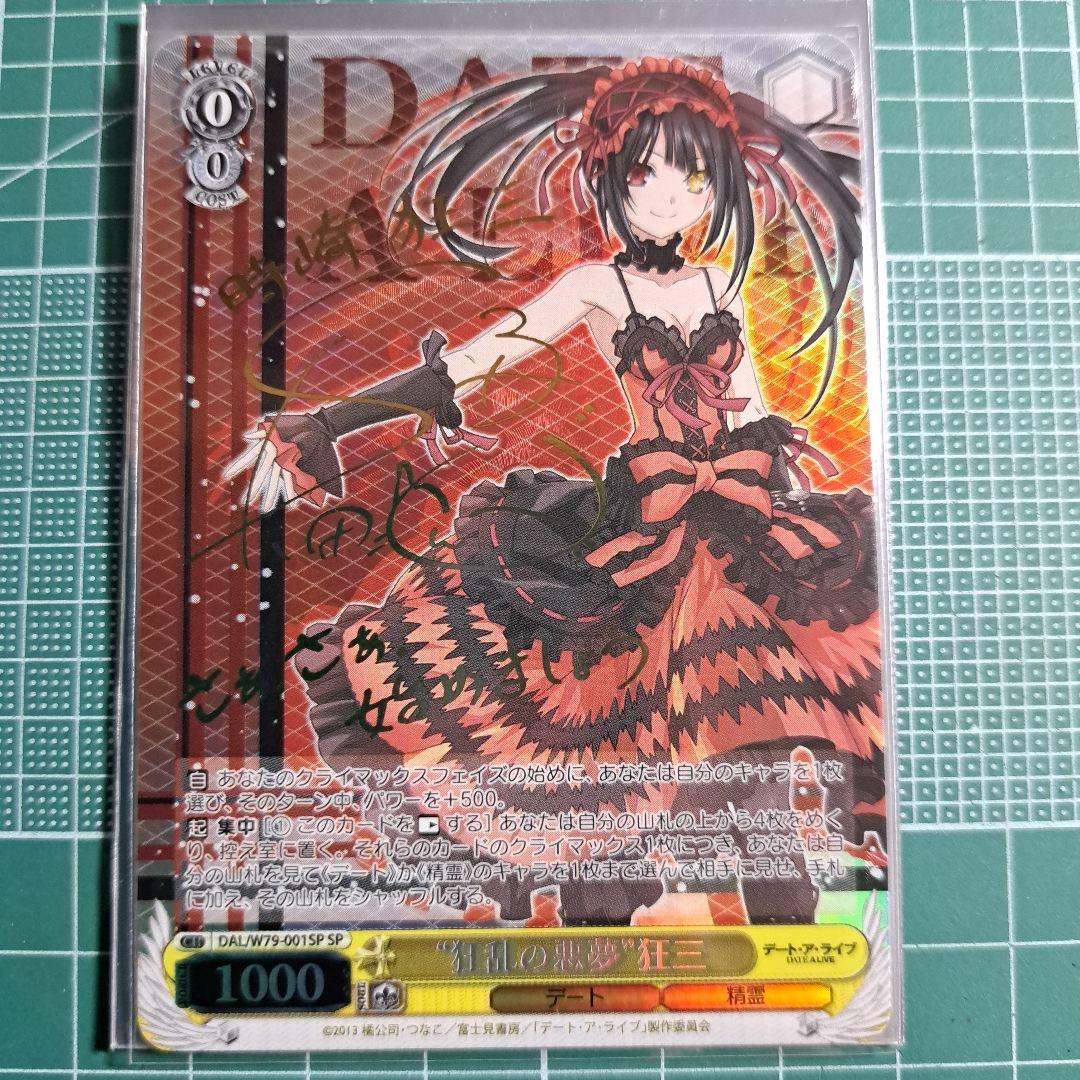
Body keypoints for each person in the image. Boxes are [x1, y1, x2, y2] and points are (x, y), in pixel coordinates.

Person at [228, 58, 885, 925]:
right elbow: (472, 365)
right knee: (599, 744)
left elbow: (753, 408)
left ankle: (791, 939)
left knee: (767, 731)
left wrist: (784, 506)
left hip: (737, 529)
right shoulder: (594, 286)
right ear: (608, 171)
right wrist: (331, 421)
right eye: (645, 170)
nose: (669, 193)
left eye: (692, 175)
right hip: (644, 535)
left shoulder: (717, 282)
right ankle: (603, 926)